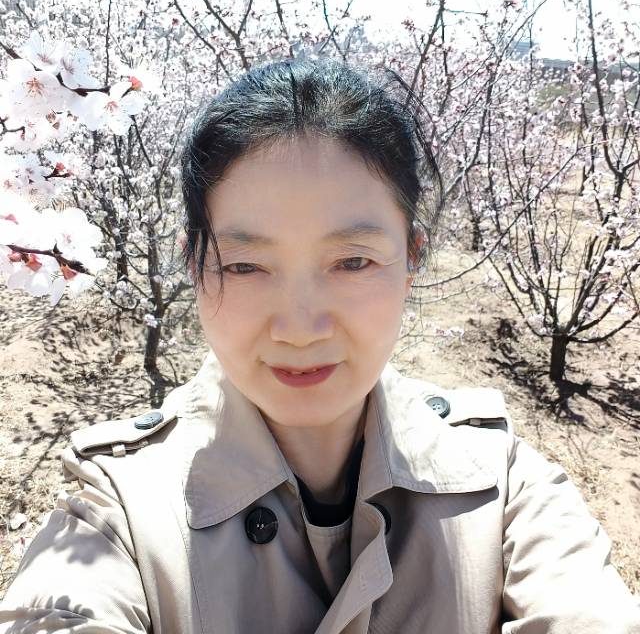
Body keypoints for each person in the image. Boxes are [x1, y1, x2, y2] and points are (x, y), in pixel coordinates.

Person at [1, 57, 639, 634]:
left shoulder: (502, 487)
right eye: (245, 266)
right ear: (195, 268)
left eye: (353, 261)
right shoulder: (117, 509)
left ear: (411, 258)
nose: (300, 328)